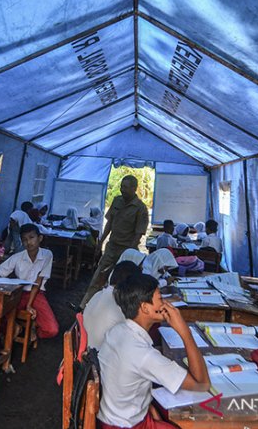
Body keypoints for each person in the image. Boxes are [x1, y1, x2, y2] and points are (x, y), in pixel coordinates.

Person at [97, 273, 210, 428]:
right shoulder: (144, 355)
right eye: (160, 299)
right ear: (145, 307)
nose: (165, 304)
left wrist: (147, 407)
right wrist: (185, 331)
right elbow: (202, 385)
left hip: (111, 417)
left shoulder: (116, 331)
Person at [82, 175, 149, 307]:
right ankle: (85, 306)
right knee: (99, 276)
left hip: (127, 251)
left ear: (134, 188)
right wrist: (101, 242)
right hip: (111, 248)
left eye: (125, 187)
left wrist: (128, 254)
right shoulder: (117, 201)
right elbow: (109, 223)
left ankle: (115, 309)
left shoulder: (140, 209)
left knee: (121, 282)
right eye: (121, 186)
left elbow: (138, 234)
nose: (122, 190)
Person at [0, 223, 59, 339]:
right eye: (24, 240)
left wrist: (29, 305)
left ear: (40, 238)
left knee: (52, 329)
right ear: (21, 242)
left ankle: (33, 327)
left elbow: (38, 281)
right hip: (18, 293)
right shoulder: (18, 257)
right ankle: (18, 327)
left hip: (36, 294)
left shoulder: (47, 255)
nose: (28, 242)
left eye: (32, 237)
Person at [83, 261, 140, 349]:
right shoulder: (120, 303)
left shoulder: (99, 294)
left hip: (88, 346)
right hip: (99, 355)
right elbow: (136, 332)